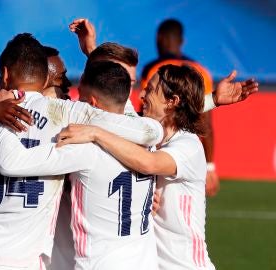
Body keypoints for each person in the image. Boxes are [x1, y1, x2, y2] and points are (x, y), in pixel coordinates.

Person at [0, 32, 164, 270]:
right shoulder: (67, 117)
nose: (68, 84)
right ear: (44, 80)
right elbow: (139, 127)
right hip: (22, 259)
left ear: (6, 74)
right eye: (62, 78)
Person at [55, 64, 258, 270]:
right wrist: (212, 99)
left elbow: (148, 163)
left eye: (150, 90)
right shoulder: (146, 135)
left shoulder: (188, 146)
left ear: (172, 101)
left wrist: (95, 133)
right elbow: (120, 109)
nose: (142, 94)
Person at [0, 61, 161, 270]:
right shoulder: (147, 142)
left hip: (99, 264)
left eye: (80, 97)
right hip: (146, 262)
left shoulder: (84, 149)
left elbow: (13, 163)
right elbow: (151, 128)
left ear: (91, 103)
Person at [141, 18, 219, 196]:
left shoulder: (153, 69)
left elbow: (147, 114)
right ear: (182, 41)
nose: (143, 95)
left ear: (159, 38)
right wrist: (210, 166)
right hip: (187, 156)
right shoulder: (200, 71)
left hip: (156, 152)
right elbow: (205, 122)